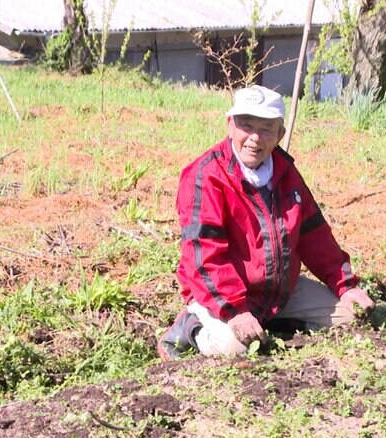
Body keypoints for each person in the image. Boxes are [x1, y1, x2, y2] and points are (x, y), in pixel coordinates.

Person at [158, 85, 374, 359]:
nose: (254, 138)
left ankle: (265, 323)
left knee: (350, 315)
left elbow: (313, 234)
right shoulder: (205, 176)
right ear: (230, 126)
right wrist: (235, 311)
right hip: (224, 296)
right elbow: (205, 256)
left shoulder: (285, 171)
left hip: (278, 291)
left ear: (280, 135)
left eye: (266, 129)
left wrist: (346, 285)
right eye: (246, 125)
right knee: (236, 349)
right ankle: (193, 327)